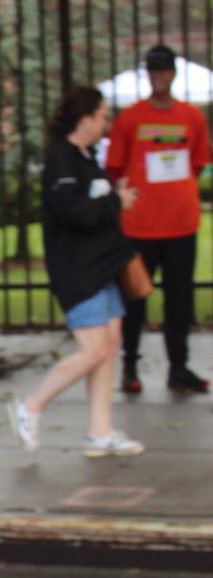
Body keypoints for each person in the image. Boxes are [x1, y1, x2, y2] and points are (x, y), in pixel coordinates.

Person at [8, 85, 144, 458]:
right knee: (93, 349)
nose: (106, 123)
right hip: (78, 272)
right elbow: (73, 212)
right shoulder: (61, 159)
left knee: (109, 346)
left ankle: (100, 432)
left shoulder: (86, 157)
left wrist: (112, 200)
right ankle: (31, 406)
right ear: (85, 119)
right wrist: (116, 200)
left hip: (104, 267)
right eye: (102, 116)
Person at [104, 44, 211, 394]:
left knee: (179, 300)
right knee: (134, 298)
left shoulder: (192, 117)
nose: (159, 76)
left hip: (181, 223)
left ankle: (178, 367)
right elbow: (115, 166)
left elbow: (199, 162)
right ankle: (130, 367)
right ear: (148, 74)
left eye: (165, 70)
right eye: (154, 70)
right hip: (140, 226)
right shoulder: (130, 119)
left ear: (173, 73)